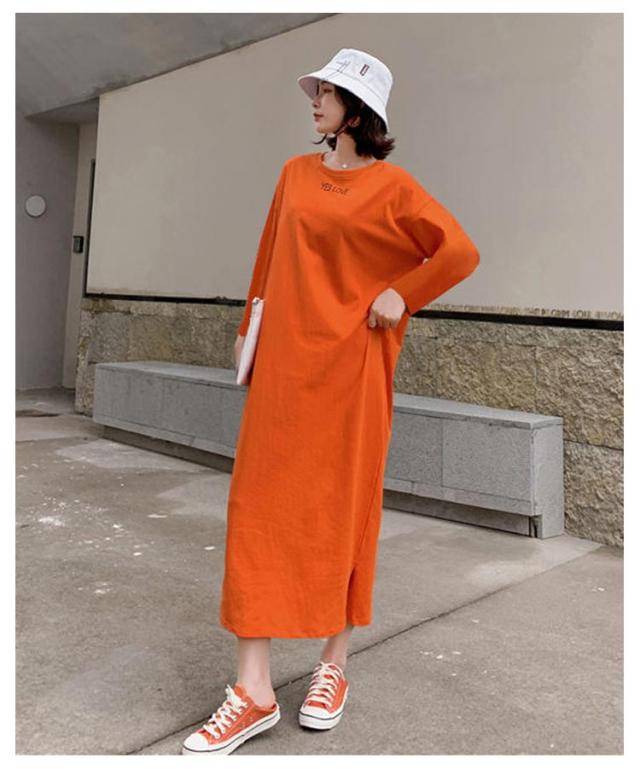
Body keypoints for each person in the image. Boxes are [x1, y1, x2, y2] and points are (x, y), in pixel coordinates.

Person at [181, 48, 480, 756]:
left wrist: (402, 292)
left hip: (354, 371)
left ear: (358, 109)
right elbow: (267, 259)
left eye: (328, 91)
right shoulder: (294, 173)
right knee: (256, 509)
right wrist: (247, 329)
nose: (314, 99)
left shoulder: (395, 188)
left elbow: (459, 252)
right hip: (285, 368)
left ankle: (333, 665)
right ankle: (253, 691)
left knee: (344, 509)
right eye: (316, 89)